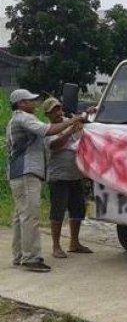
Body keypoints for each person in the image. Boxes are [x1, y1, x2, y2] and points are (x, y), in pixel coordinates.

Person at [6, 89, 84, 272]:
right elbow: (47, 131)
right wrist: (74, 119)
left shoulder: (19, 119)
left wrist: (70, 126)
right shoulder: (23, 118)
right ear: (21, 104)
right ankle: (31, 258)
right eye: (30, 101)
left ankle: (19, 255)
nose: (34, 104)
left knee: (20, 216)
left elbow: (48, 133)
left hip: (20, 174)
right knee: (30, 216)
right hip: (26, 173)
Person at [43, 97, 94, 258]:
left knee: (78, 209)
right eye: (54, 110)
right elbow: (53, 145)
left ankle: (74, 242)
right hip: (59, 176)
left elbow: (84, 131)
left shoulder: (69, 121)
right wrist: (70, 131)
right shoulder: (47, 129)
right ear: (47, 114)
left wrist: (89, 115)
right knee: (58, 211)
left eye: (59, 108)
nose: (58, 112)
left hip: (76, 175)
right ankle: (56, 246)